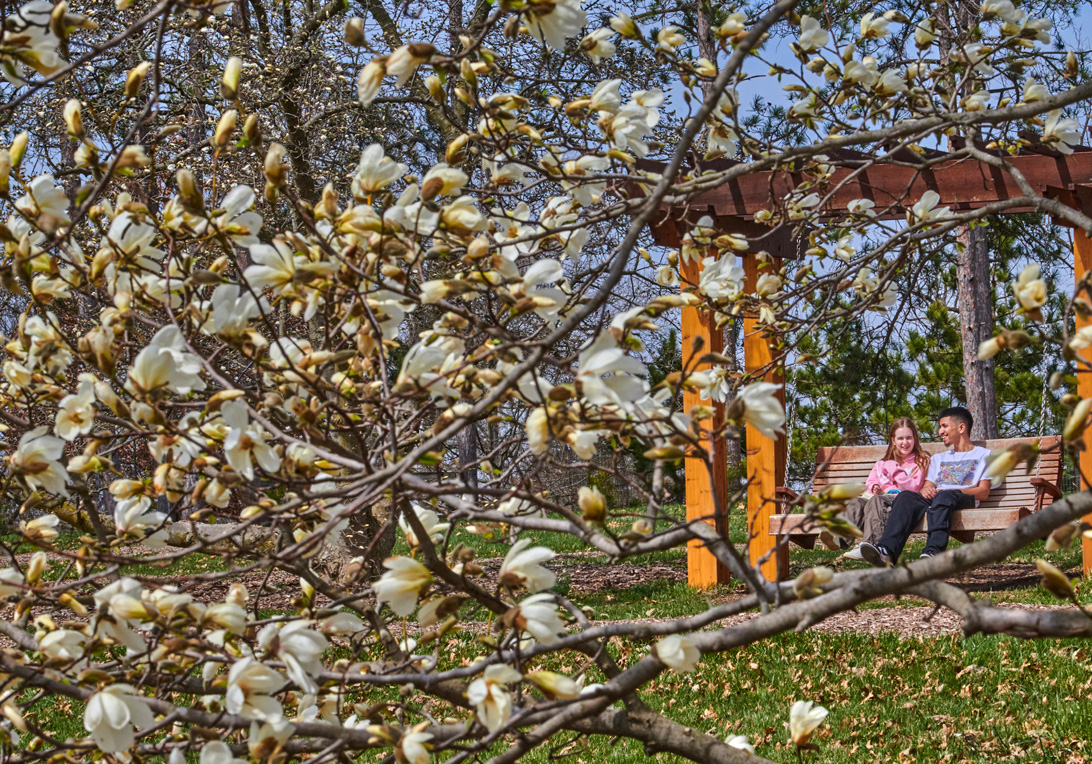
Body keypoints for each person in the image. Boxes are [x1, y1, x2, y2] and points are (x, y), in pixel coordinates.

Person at [860, 406, 993, 567]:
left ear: (961, 428)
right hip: (938, 499)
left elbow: (983, 492)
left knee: (944, 496)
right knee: (906, 496)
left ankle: (934, 552)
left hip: (963, 498)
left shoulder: (984, 455)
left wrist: (949, 491)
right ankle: (887, 551)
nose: (940, 431)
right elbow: (927, 487)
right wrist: (926, 489)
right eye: (940, 427)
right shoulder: (938, 458)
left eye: (944, 426)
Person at [822, 418, 930, 560]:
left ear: (915, 438)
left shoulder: (922, 460)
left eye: (909, 438)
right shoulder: (882, 463)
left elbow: (913, 487)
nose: (905, 442)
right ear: (893, 440)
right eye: (900, 438)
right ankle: (840, 536)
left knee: (876, 501)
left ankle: (869, 545)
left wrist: (895, 470)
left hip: (901, 503)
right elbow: (870, 482)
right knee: (856, 502)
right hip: (879, 499)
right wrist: (875, 487)